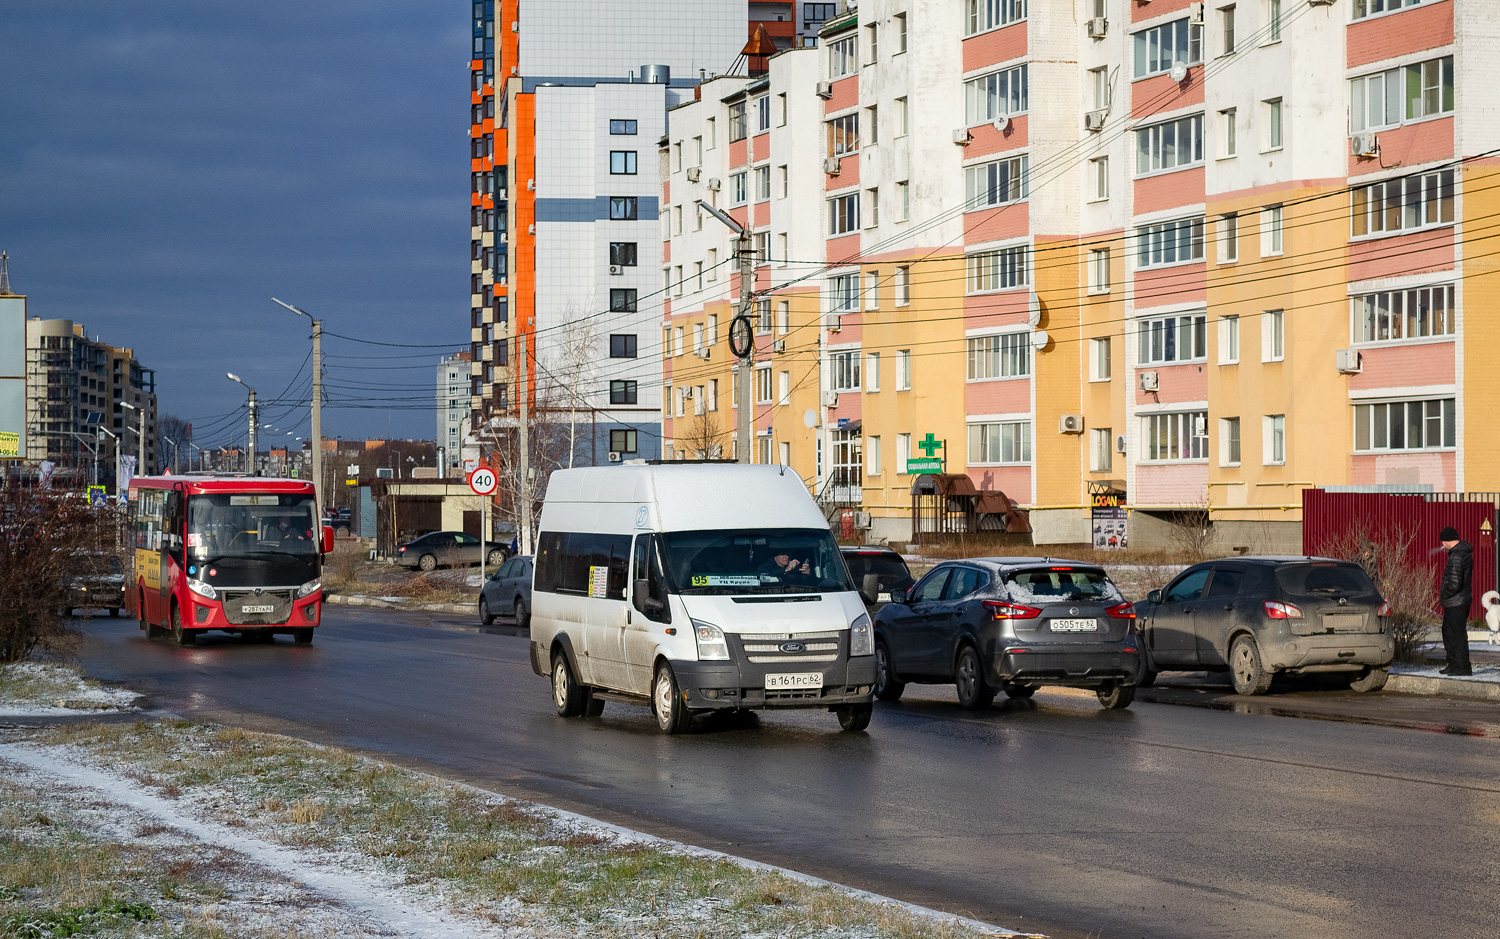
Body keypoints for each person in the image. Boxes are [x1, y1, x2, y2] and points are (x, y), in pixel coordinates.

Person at [1437, 526, 1473, 676]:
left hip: (1456, 602)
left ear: (1446, 540)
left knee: (1456, 635)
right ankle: (1453, 664)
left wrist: (1443, 595)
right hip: (1458, 601)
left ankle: (1461, 667)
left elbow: (1454, 583)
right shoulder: (1462, 553)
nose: (1442, 545)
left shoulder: (1457, 556)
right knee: (1449, 633)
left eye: (1442, 541)